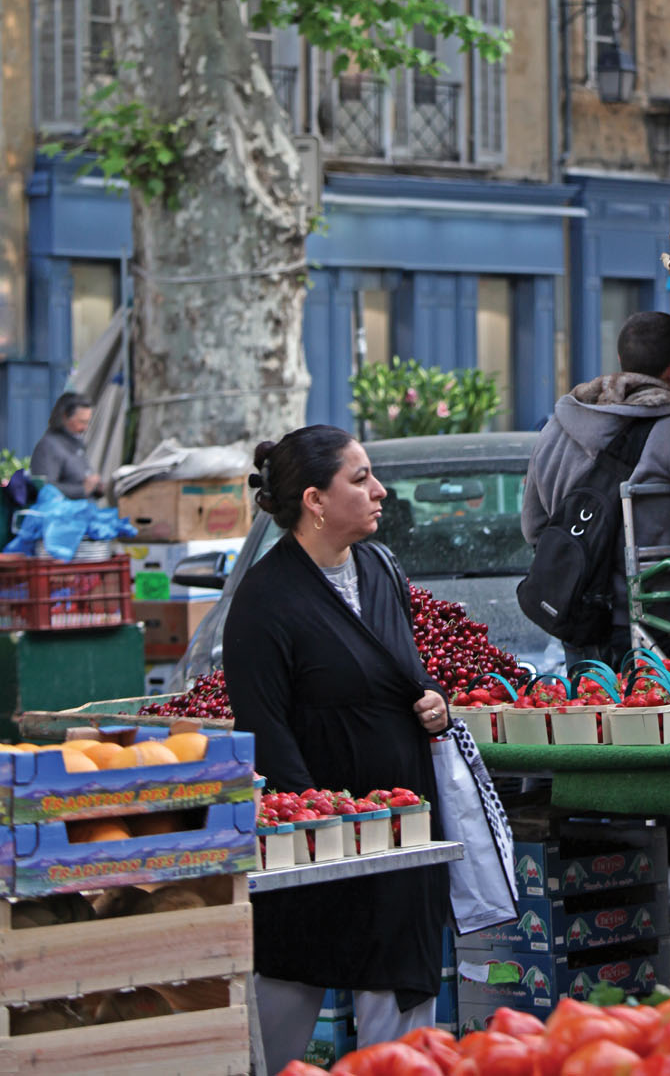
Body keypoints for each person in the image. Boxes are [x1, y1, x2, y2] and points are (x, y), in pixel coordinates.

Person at [222, 425, 450, 1075]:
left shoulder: (381, 568)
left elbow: (405, 669)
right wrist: (322, 827)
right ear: (315, 500)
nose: (380, 490)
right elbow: (262, 727)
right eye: (360, 478)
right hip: (315, 851)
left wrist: (434, 699)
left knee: (399, 1025)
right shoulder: (265, 601)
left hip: (401, 836)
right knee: (285, 998)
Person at [522, 310, 670, 664]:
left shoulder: (554, 431)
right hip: (662, 632)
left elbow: (534, 529)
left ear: (622, 361)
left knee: (590, 719)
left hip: (580, 624)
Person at [29, 393, 103, 499]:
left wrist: (96, 488)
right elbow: (45, 488)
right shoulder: (48, 447)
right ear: (65, 417)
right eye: (81, 422)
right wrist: (83, 489)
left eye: (87, 422)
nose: (85, 428)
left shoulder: (76, 442)